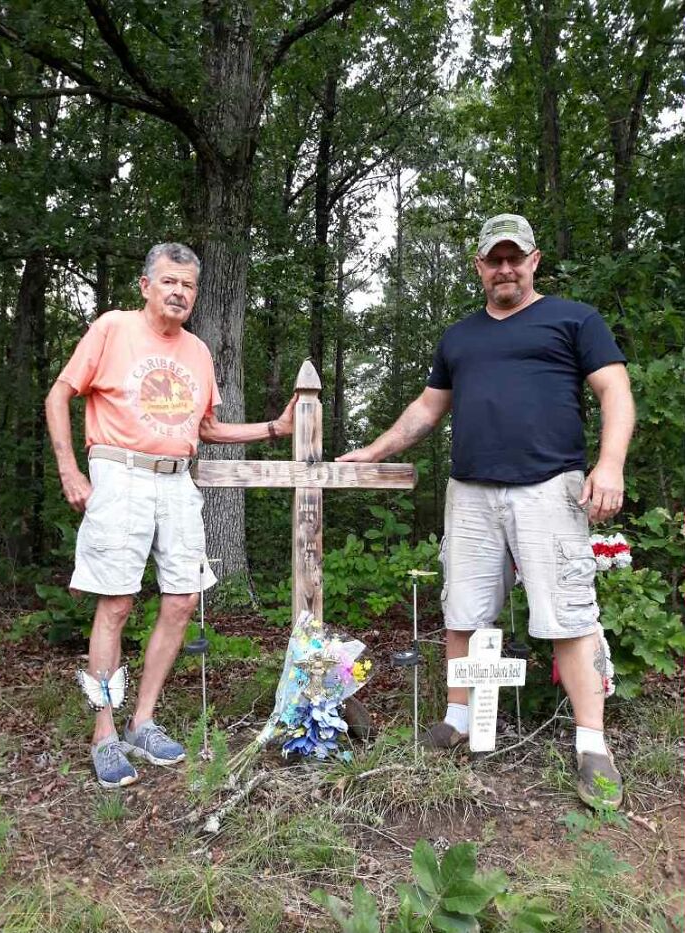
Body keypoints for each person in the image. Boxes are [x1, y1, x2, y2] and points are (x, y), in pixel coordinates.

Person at [338, 214, 635, 809]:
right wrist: (370, 451)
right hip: (470, 492)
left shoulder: (574, 319)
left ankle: (591, 743)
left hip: (550, 488)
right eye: (493, 259)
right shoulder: (460, 337)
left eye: (514, 257)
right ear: (478, 266)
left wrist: (609, 465)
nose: (504, 268)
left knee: (568, 616)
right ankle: (459, 718)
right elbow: (427, 410)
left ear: (533, 260)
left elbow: (615, 391)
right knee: (463, 612)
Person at [46, 243, 296, 789]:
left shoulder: (199, 352)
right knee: (116, 603)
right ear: (146, 286)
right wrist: (70, 469)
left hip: (177, 479)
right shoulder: (113, 328)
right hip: (119, 471)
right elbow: (59, 394)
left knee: (183, 599)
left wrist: (273, 430)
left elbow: (206, 429)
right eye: (168, 282)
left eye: (188, 285)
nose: (179, 292)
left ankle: (142, 721)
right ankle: (104, 734)